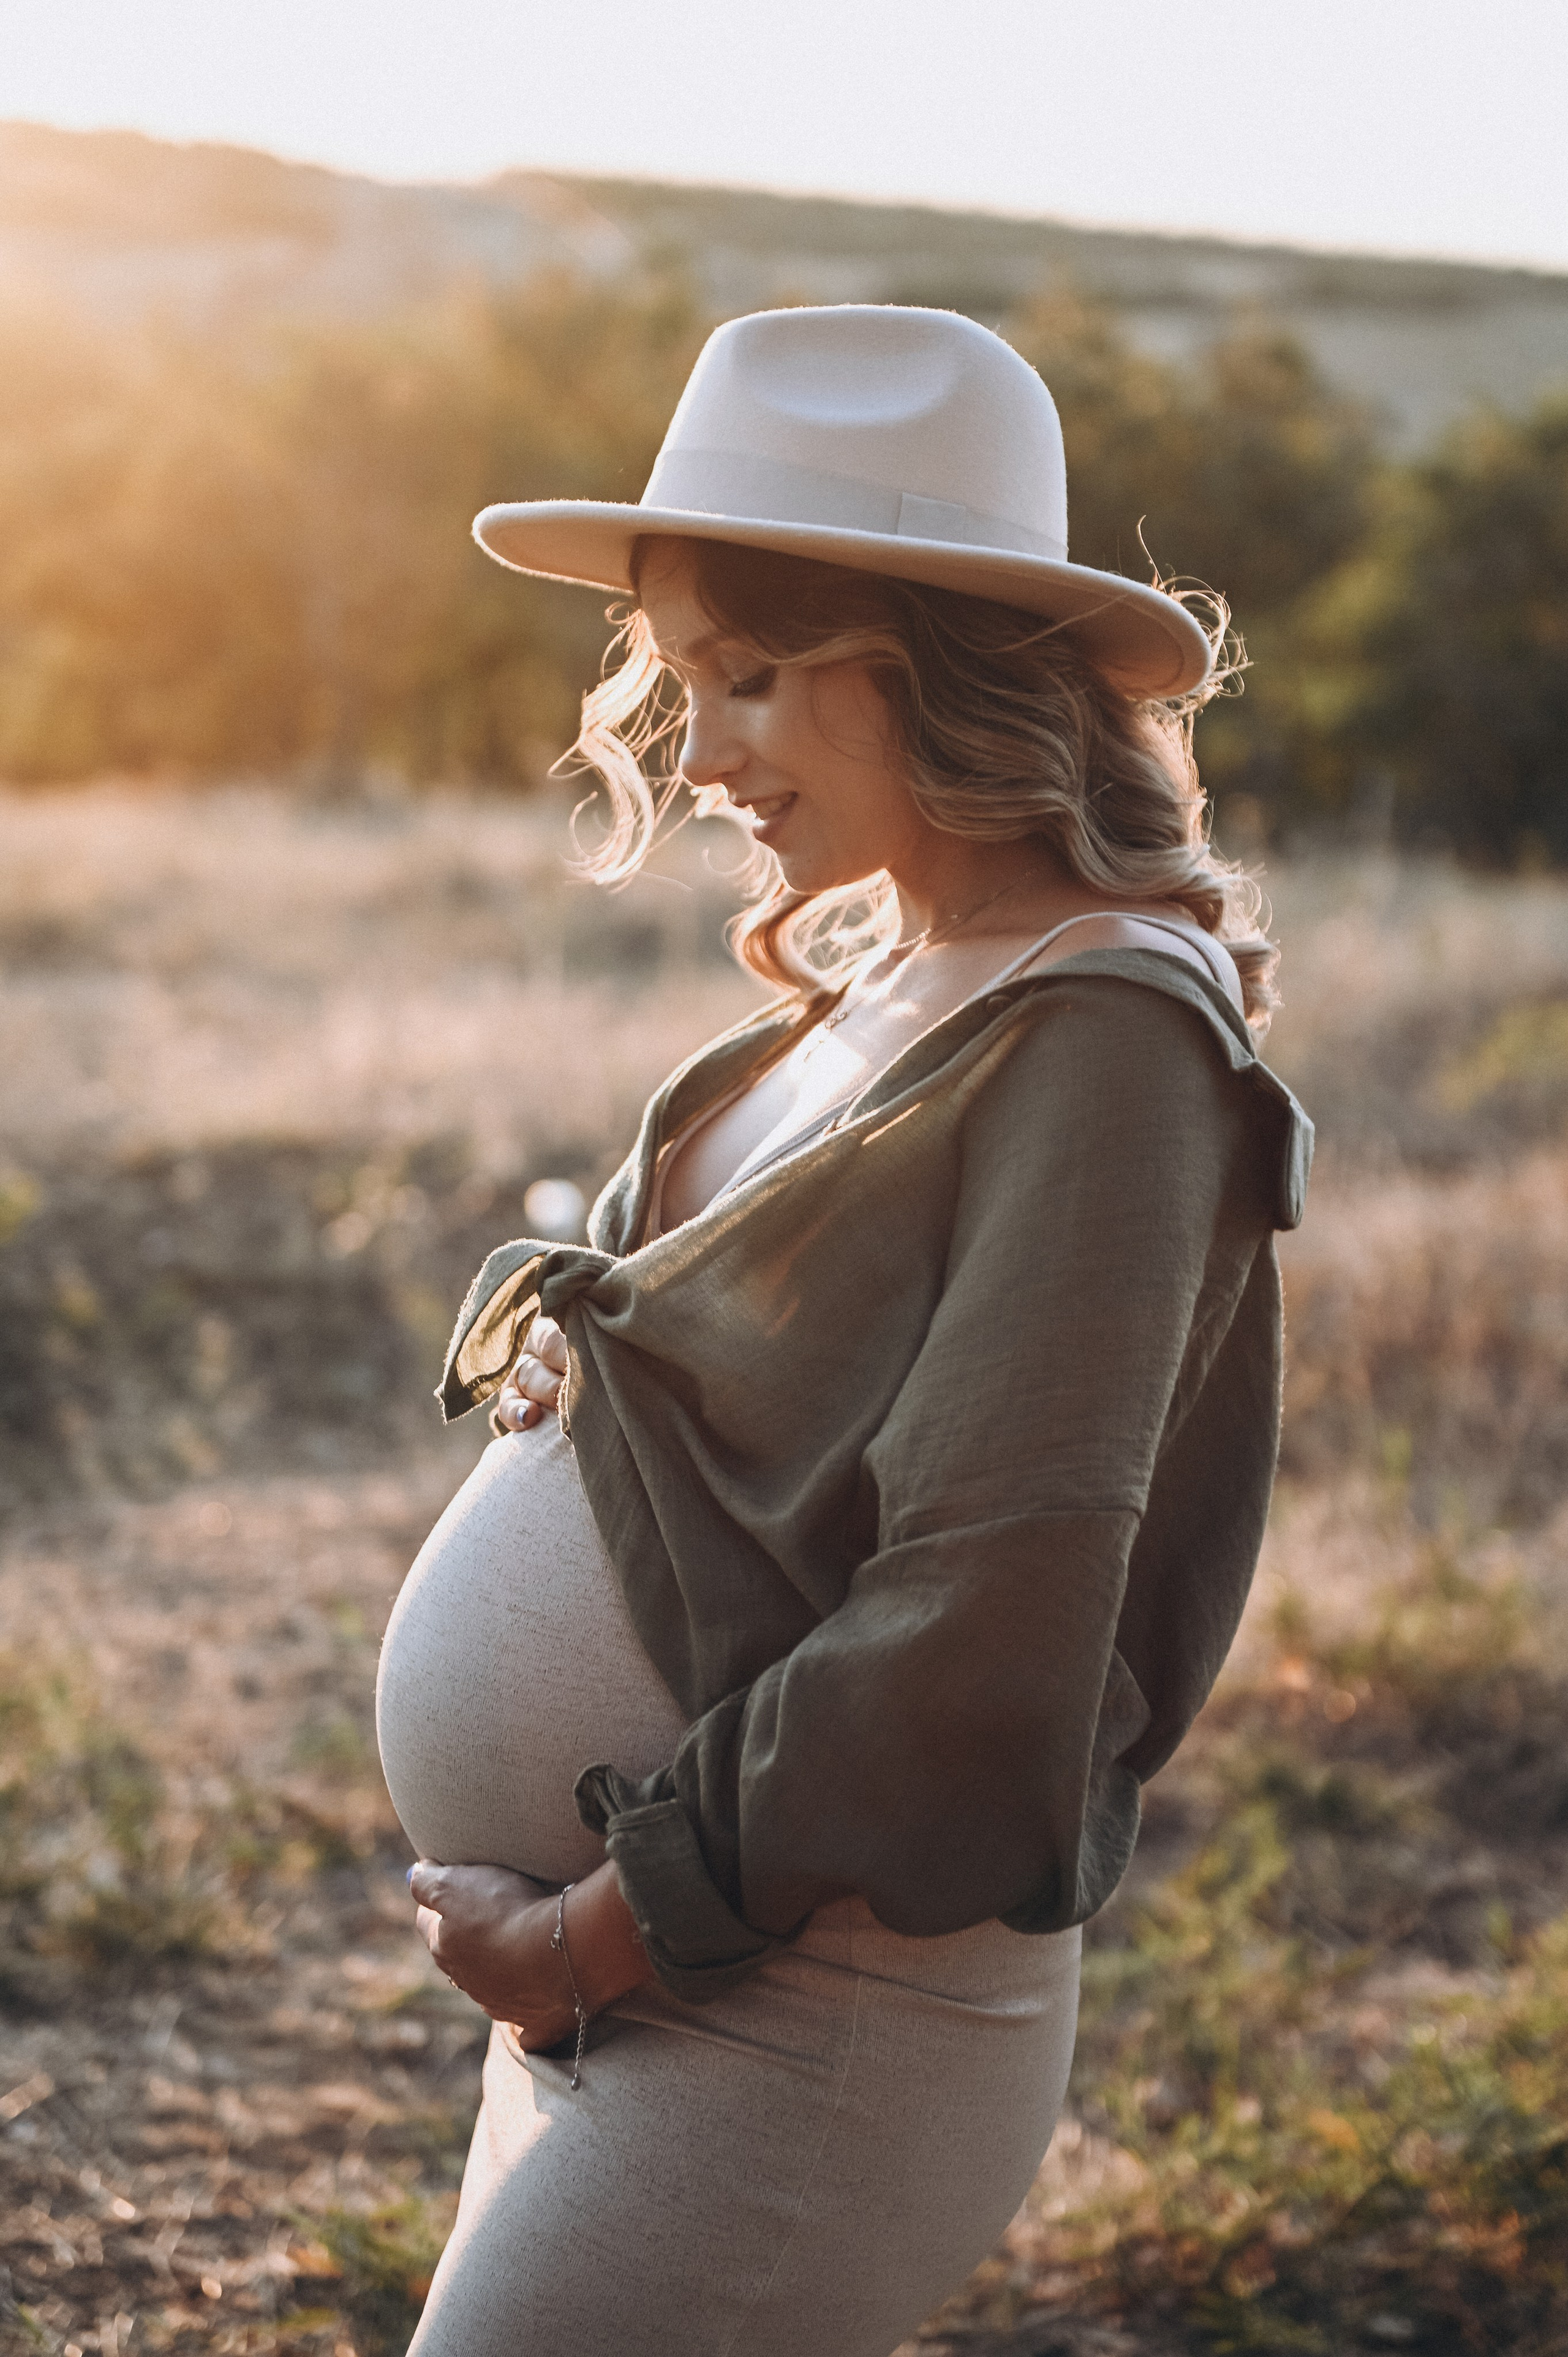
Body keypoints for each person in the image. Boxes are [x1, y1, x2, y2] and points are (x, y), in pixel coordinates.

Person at [374, 304, 1312, 2357]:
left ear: (944, 664)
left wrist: (592, 1943)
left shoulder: (1110, 1039)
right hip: (648, 1982)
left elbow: (987, 1616)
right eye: (680, 680)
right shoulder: (906, 977)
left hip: (793, 2021)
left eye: (753, 676)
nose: (695, 753)